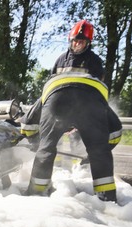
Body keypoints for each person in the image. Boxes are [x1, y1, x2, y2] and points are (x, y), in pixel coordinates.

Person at [21, 20, 119, 202]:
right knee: (47, 149)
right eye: (75, 41)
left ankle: (106, 200)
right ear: (70, 40)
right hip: (59, 107)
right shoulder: (60, 59)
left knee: (97, 151)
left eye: (82, 42)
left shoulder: (95, 61)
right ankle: (36, 194)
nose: (78, 44)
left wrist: (94, 139)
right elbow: (52, 90)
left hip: (87, 111)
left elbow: (94, 94)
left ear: (88, 43)